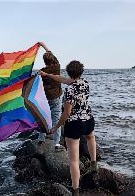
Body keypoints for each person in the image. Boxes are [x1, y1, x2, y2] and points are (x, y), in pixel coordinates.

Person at [40, 60, 97, 196]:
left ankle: (76, 191)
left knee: (73, 160)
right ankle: (94, 163)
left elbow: (66, 114)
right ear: (80, 72)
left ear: (69, 72)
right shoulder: (85, 83)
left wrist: (56, 127)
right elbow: (62, 79)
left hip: (74, 125)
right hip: (88, 120)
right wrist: (47, 75)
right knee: (90, 137)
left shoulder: (69, 90)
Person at [37, 42, 63, 150]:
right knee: (56, 119)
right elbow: (49, 52)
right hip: (56, 97)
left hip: (45, 99)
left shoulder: (42, 72)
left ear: (44, 61)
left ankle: (41, 138)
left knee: (43, 117)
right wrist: (43, 45)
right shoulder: (57, 67)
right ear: (53, 59)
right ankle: (57, 143)